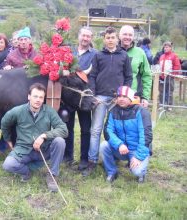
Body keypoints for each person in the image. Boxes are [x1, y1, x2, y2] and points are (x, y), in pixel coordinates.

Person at [83, 27, 132, 176]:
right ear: (104, 39)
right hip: (100, 98)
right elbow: (92, 76)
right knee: (96, 130)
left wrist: (122, 95)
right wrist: (93, 95)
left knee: (116, 129)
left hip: (117, 99)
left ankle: (112, 158)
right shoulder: (98, 55)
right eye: (108, 37)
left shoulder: (123, 56)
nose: (110, 40)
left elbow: (128, 77)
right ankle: (92, 161)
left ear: (117, 39)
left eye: (113, 37)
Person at [1, 83, 68, 192]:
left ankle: (52, 175)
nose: (38, 100)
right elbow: (4, 122)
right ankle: (27, 172)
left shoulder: (49, 111)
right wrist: (8, 139)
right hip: (24, 150)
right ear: (29, 96)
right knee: (8, 165)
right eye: (35, 96)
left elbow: (64, 130)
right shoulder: (18, 111)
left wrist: (44, 136)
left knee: (60, 141)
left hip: (44, 150)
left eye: (41, 97)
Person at [100, 86, 152, 183]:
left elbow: (146, 136)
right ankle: (112, 172)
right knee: (104, 146)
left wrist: (138, 157)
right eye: (119, 96)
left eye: (124, 96)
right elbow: (108, 131)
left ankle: (141, 171)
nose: (121, 99)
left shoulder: (141, 111)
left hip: (136, 149)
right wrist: (119, 144)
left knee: (137, 172)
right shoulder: (113, 111)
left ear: (130, 98)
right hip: (122, 149)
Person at [63, 26, 97, 170]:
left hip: (84, 96)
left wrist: (91, 94)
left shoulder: (95, 54)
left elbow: (94, 76)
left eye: (88, 36)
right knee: (67, 127)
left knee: (86, 129)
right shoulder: (69, 51)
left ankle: (84, 159)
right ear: (79, 36)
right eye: (83, 35)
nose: (85, 38)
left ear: (91, 39)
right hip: (68, 96)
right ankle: (67, 156)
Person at [119, 25, 152, 108]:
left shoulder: (140, 53)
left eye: (130, 35)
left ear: (133, 37)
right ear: (119, 36)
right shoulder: (114, 51)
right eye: (125, 34)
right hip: (116, 96)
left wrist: (145, 97)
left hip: (133, 96)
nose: (127, 37)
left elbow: (146, 75)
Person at [158, 41, 181, 108]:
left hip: (169, 76)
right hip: (161, 76)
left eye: (167, 47)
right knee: (161, 91)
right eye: (164, 47)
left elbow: (177, 66)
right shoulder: (162, 56)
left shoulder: (174, 56)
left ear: (170, 48)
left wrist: (173, 74)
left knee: (169, 91)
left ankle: (169, 105)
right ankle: (161, 104)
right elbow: (160, 65)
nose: (165, 48)